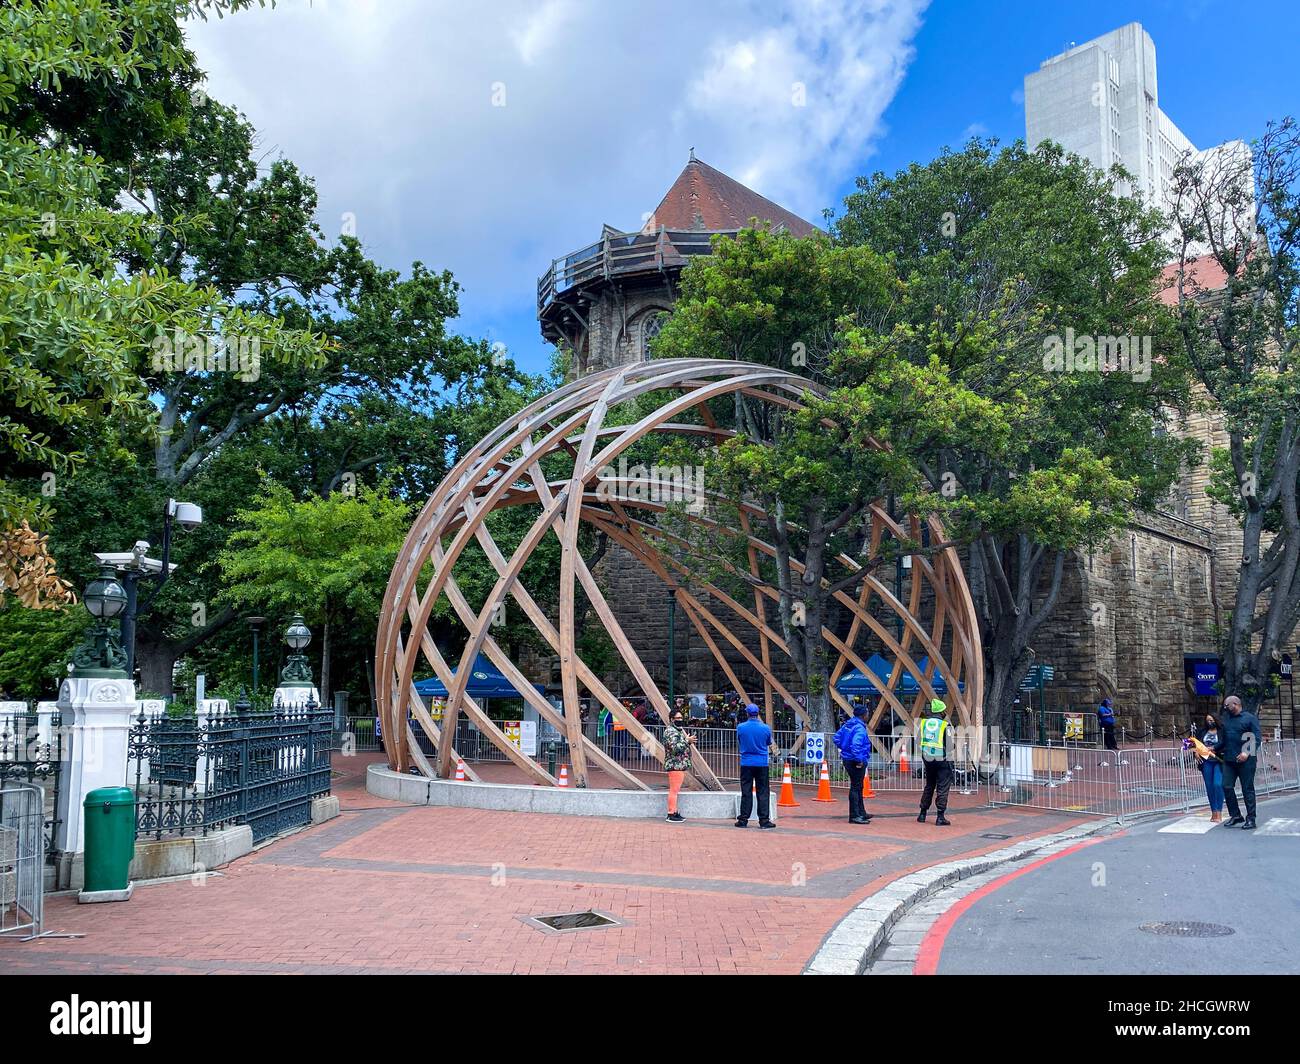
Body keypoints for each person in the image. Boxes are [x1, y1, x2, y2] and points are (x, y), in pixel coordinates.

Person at [1219, 695, 1262, 829]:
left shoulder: (1249, 718)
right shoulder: (1227, 720)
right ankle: (1236, 815)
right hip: (1229, 759)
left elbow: (1256, 738)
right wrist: (1211, 748)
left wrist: (1246, 752)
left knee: (1247, 789)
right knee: (1226, 786)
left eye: (1227, 705)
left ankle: (1251, 818)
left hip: (1246, 761)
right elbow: (1224, 741)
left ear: (1236, 704)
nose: (1225, 708)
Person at [735, 703, 775, 829]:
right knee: (763, 791)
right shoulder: (765, 728)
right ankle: (764, 820)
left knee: (746, 791)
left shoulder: (740, 727)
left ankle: (743, 819)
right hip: (761, 762)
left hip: (746, 762)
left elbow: (740, 741)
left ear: (747, 713)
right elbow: (768, 742)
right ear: (758, 713)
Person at [833, 703, 873, 825]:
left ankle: (861, 812)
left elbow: (836, 738)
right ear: (863, 715)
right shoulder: (859, 728)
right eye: (867, 713)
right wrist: (858, 759)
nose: (868, 715)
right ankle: (855, 815)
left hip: (847, 758)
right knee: (856, 787)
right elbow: (856, 745)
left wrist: (844, 748)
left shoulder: (848, 725)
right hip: (855, 760)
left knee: (858, 786)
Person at [916, 698, 953, 826]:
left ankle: (922, 813)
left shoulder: (924, 723)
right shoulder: (944, 725)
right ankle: (940, 816)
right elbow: (949, 746)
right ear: (942, 712)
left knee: (929, 785)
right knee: (942, 787)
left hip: (927, 759)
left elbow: (918, 741)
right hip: (941, 759)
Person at [661, 709, 696, 823]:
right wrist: (687, 741)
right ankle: (671, 813)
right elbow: (674, 748)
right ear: (672, 719)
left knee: (675, 790)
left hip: (678, 764)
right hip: (675, 764)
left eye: (681, 718)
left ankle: (674, 811)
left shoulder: (676, 730)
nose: (680, 720)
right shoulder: (671, 731)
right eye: (678, 718)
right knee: (674, 790)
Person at [1191, 711, 1225, 823]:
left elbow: (1225, 743)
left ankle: (1219, 811)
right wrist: (1195, 752)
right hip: (1206, 762)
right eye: (1207, 720)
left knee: (1217, 784)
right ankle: (1213, 811)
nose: (1209, 722)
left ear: (1216, 720)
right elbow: (1194, 744)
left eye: (1211, 720)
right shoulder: (1202, 732)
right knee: (1209, 787)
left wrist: (1214, 748)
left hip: (1219, 760)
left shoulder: (1222, 731)